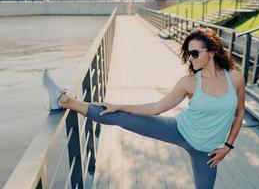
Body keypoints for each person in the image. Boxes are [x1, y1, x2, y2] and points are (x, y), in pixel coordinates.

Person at [43, 28, 245, 189]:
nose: (190, 58)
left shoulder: (235, 78)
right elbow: (156, 107)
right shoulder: (189, 82)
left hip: (207, 151)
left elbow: (239, 113)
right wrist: (120, 105)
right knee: (120, 117)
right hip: (179, 130)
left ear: (211, 52)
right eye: (188, 54)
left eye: (194, 53)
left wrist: (228, 146)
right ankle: (65, 99)